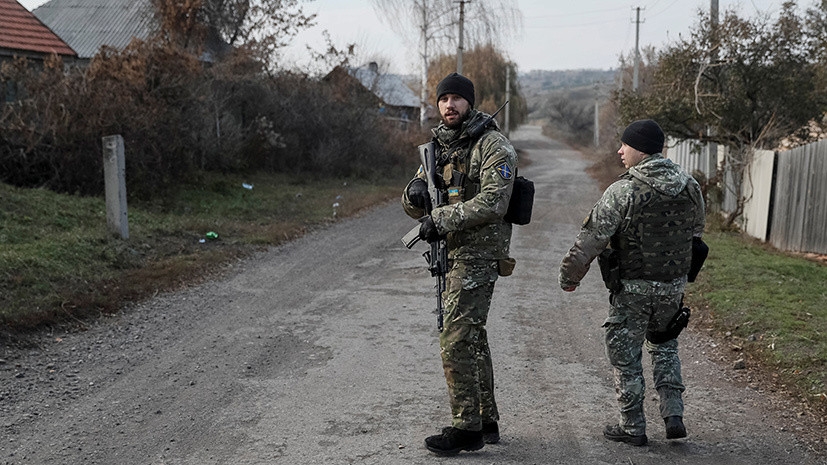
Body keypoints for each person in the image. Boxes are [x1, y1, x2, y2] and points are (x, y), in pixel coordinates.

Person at [558, 119, 705, 446]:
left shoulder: (623, 190)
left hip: (633, 288)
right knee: (665, 343)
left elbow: (591, 241)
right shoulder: (690, 186)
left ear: (640, 148)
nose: (619, 150)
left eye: (625, 144)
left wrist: (569, 277)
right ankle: (673, 414)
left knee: (625, 353)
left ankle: (632, 425)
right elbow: (696, 233)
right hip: (672, 287)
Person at [401, 73, 517, 456]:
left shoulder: (493, 145)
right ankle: (485, 420)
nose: (449, 105)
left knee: (454, 339)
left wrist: (441, 219)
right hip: (451, 254)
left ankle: (465, 428)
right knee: (472, 338)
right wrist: (414, 195)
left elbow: (493, 203)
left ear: (471, 102)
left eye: (457, 99)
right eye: (443, 99)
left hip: (479, 254)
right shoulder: (438, 146)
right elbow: (416, 199)